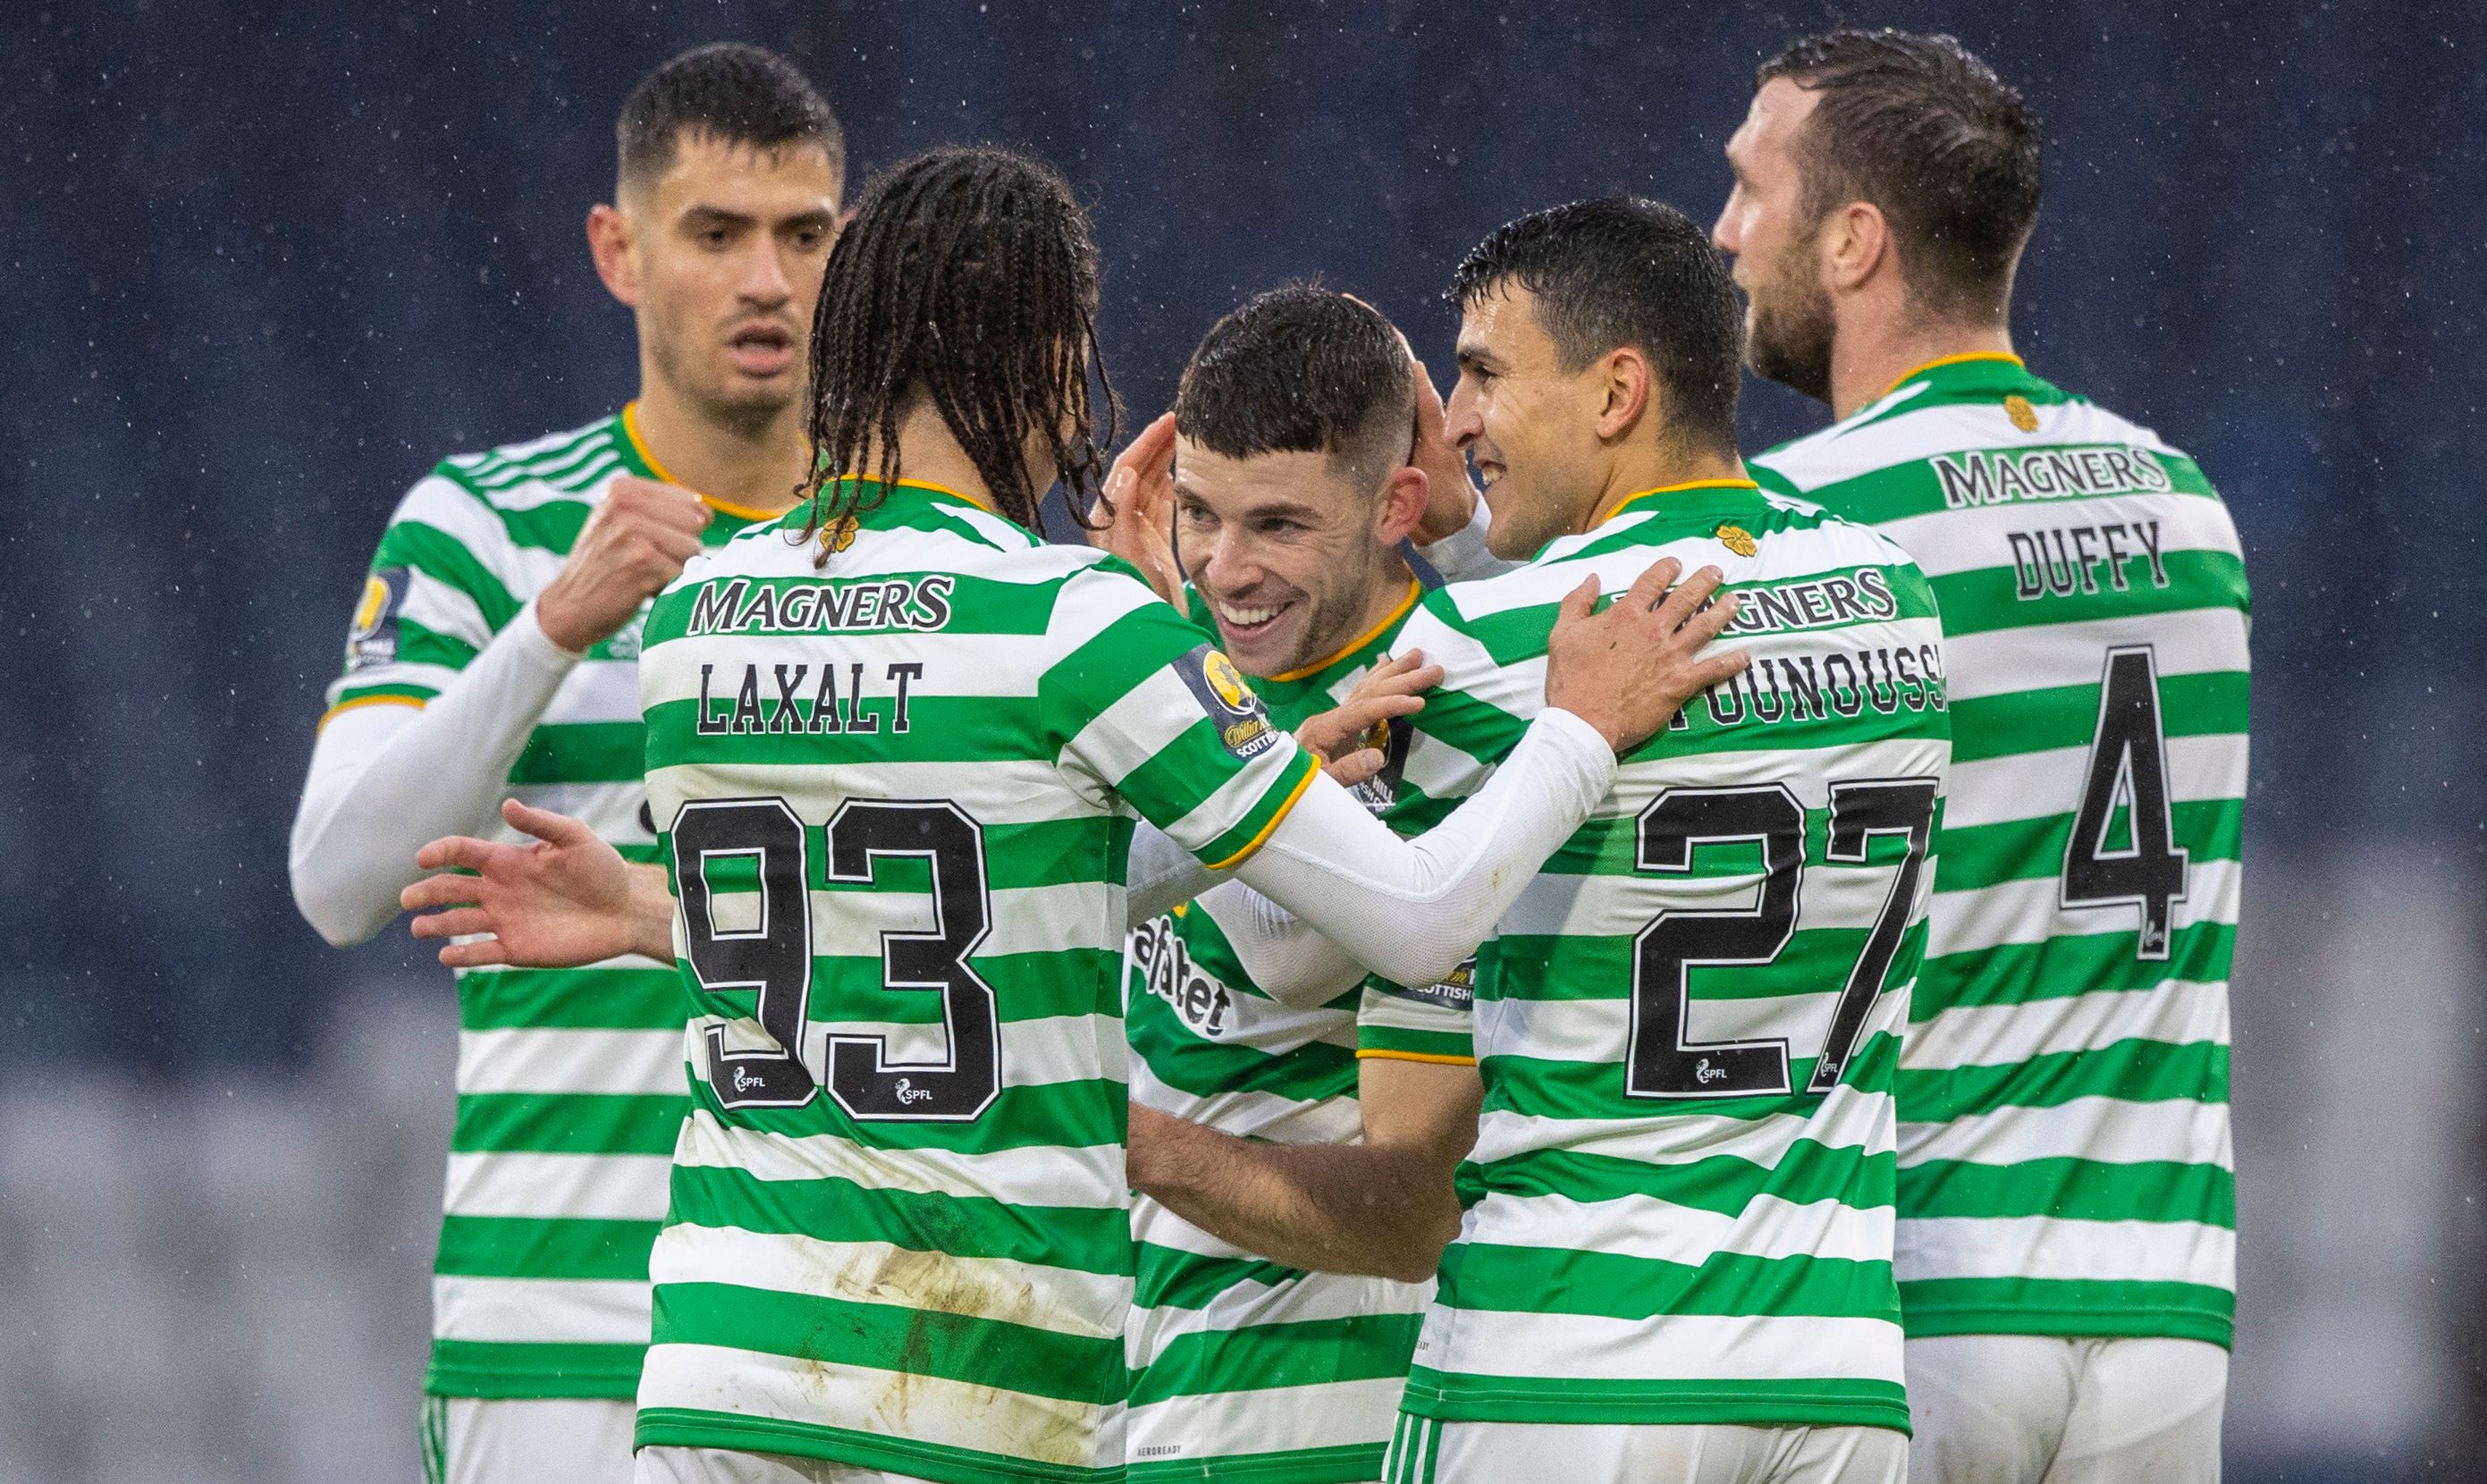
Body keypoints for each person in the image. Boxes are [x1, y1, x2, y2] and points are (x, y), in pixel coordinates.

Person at [398, 143, 1749, 1484]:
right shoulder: (1069, 620)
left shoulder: (698, 615)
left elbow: (951, 888)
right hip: (974, 1390)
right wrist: (1579, 730)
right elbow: (1415, 919)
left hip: (721, 1365)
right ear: (1035, 355)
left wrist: (649, 910)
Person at [1138, 198, 1952, 1484]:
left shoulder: (1492, 660)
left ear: (1616, 390)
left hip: (1564, 1367)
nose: (1456, 425)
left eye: (1484, 376)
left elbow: (1305, 972)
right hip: (1831, 1364)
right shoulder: (1895, 600)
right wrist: (1468, 532)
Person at [285, 42, 845, 1484]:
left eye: (804, 235)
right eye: (715, 234)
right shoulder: (484, 529)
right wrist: (550, 629)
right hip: (561, 1333)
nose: (767, 282)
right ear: (620, 251)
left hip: (841, 1323)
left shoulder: (916, 562)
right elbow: (340, 879)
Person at [1714, 30, 2250, 1484]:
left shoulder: (1801, 524)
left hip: (1919, 1276)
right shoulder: (2192, 511)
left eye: (1751, 191)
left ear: (1855, 240)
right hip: (2164, 1297)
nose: (1722, 236)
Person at [1084, 286, 1489, 1484]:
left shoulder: (1440, 715)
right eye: (1201, 513)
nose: (1226, 567)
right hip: (1147, 1367)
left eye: (1278, 525)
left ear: (1393, 507)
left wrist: (1089, 1130)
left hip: (1318, 1400)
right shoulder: (1186, 670)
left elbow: (1282, 951)